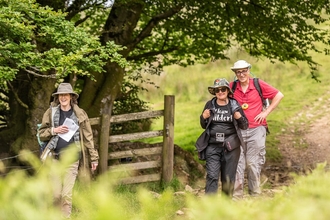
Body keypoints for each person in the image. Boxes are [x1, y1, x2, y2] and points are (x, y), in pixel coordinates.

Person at [38, 83, 99, 217]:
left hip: (72, 160)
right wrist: (54, 130)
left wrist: (94, 158)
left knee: (66, 195)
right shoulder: (51, 112)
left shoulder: (80, 114)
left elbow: (88, 137)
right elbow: (41, 133)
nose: (63, 97)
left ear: (71, 97)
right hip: (54, 158)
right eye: (61, 95)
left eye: (66, 94)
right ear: (58, 97)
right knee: (56, 194)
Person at [229, 60, 284, 199]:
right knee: (237, 164)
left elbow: (278, 95)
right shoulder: (232, 87)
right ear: (235, 73)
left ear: (249, 70)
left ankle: (255, 196)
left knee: (253, 163)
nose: (241, 74)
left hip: (257, 129)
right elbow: (220, 97)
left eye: (244, 71)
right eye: (238, 72)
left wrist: (266, 112)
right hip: (237, 131)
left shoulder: (258, 84)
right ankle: (237, 198)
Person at [200, 78, 249, 197]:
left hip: (231, 148)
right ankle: (210, 206)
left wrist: (238, 117)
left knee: (228, 178)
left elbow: (245, 125)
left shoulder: (234, 104)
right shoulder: (210, 104)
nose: (220, 92)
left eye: (223, 89)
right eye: (217, 90)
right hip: (212, 146)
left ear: (227, 91)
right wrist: (203, 117)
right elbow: (203, 125)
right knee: (212, 175)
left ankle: (225, 207)